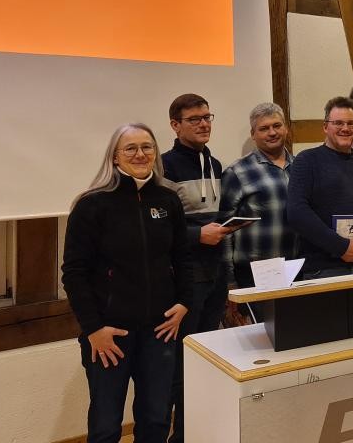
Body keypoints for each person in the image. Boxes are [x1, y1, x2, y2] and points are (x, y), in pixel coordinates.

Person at [62, 123, 192, 443]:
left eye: (147, 147)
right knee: (106, 426)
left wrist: (184, 302)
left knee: (157, 419)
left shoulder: (168, 200)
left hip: (160, 331)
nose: (140, 154)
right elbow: (74, 272)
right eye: (130, 148)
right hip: (109, 335)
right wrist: (94, 329)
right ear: (115, 158)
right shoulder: (91, 205)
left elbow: (184, 258)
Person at [161, 94, 231, 443]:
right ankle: (179, 436)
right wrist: (196, 234)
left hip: (217, 270)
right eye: (194, 119)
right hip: (185, 275)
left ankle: (201, 432)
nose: (204, 124)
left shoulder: (216, 164)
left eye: (208, 117)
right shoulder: (165, 166)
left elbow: (213, 218)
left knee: (208, 356)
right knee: (181, 362)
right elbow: (159, 225)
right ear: (175, 124)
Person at [286, 96, 353, 279]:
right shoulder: (307, 161)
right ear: (325, 127)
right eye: (338, 123)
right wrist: (341, 247)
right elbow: (297, 213)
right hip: (322, 270)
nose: (345, 128)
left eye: (351, 123)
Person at [220, 103, 297, 291]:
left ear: (286, 128)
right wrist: (230, 280)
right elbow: (223, 230)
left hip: (294, 268)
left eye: (277, 126)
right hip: (254, 273)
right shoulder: (237, 172)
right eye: (264, 128)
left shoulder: (300, 167)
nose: (272, 132)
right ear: (253, 134)